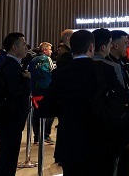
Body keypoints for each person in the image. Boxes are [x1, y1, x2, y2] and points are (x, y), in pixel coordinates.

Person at [38, 29, 124, 175]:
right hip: (102, 141)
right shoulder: (106, 70)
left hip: (72, 143)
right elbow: (121, 102)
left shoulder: (61, 74)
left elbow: (46, 109)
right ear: (91, 47)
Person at [0, 33, 32, 176]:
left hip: (6, 116)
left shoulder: (6, 63)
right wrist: (27, 80)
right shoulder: (11, 65)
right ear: (14, 47)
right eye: (23, 44)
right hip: (11, 117)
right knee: (8, 156)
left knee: (3, 154)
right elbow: (15, 91)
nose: (26, 47)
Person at [107, 30, 129, 176]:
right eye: (125, 43)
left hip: (126, 124)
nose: (128, 46)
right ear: (115, 45)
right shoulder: (108, 67)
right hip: (116, 126)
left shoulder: (123, 63)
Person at [28, 41, 55, 144]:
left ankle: (37, 136)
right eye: (50, 49)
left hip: (35, 90)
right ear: (44, 50)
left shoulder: (33, 60)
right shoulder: (48, 59)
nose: (51, 52)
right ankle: (45, 135)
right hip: (46, 89)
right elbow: (52, 72)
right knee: (51, 112)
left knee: (36, 113)